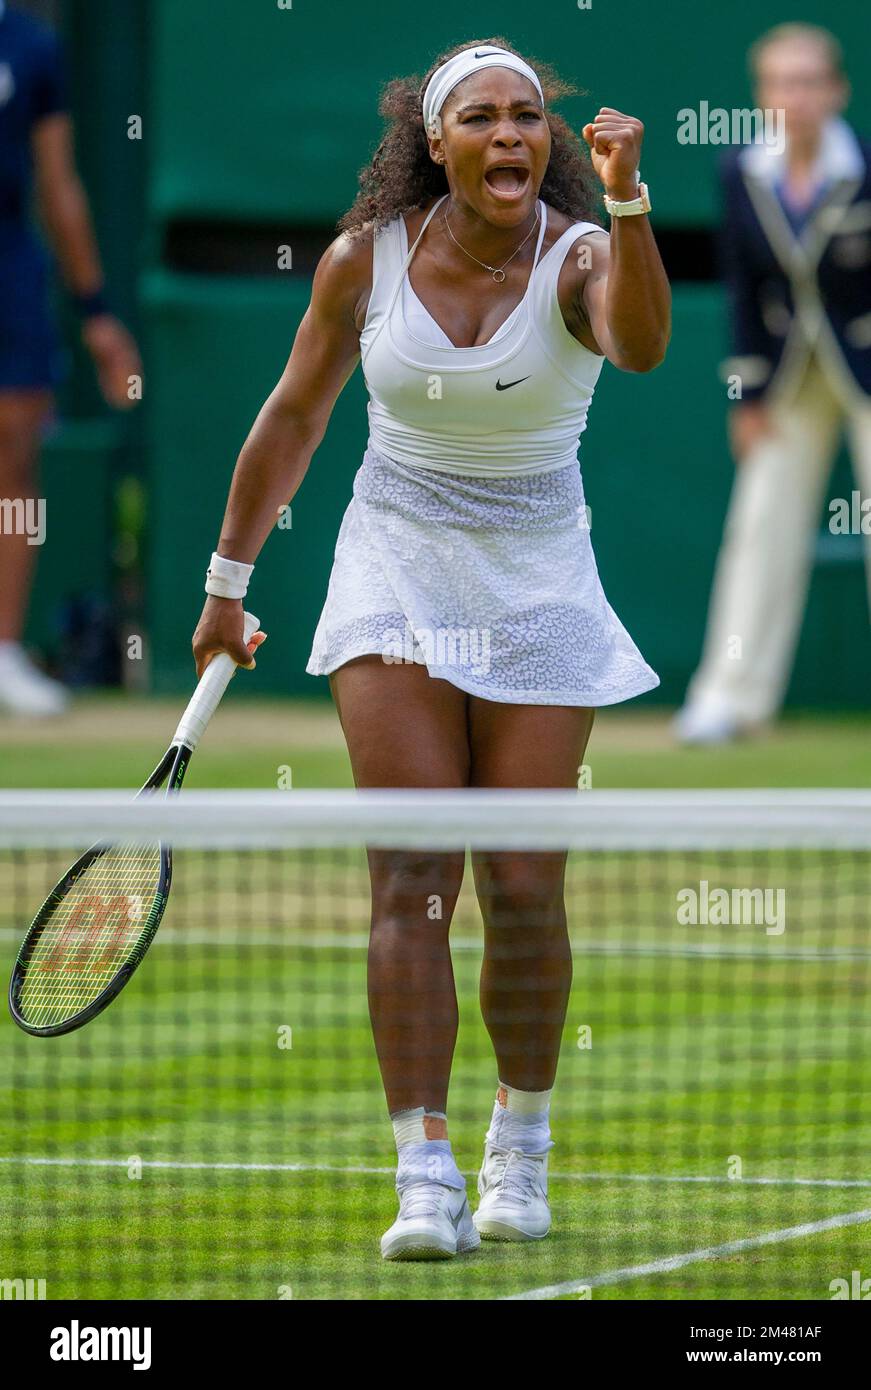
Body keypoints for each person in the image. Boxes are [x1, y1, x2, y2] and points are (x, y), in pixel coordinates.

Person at [192, 38, 669, 1260]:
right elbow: (294, 414)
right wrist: (225, 583)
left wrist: (625, 199)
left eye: (529, 120)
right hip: (393, 561)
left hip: (539, 579)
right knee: (410, 871)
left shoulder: (584, 253)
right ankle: (422, 1172)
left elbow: (643, 345)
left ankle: (521, 1145)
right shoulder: (365, 262)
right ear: (436, 140)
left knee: (521, 884)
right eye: (484, 119)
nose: (513, 136)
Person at [676, 24, 871, 744]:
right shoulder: (739, 172)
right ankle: (729, 698)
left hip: (864, 368)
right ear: (761, 95)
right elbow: (741, 288)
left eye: (807, 81)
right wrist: (746, 394)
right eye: (779, 83)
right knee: (760, 528)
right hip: (788, 373)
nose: (793, 96)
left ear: (835, 90)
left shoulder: (867, 165)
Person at [0, 0, 141, 715]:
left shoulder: (31, 47)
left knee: (16, 455)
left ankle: (3, 650)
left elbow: (58, 186)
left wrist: (95, 315)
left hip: (11, 272)